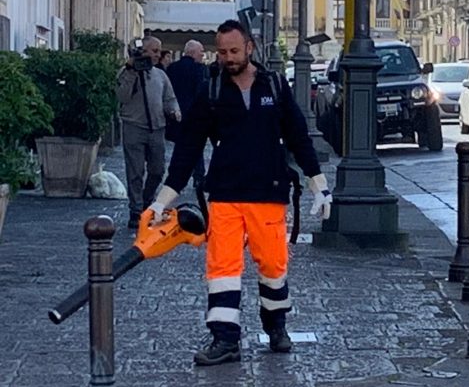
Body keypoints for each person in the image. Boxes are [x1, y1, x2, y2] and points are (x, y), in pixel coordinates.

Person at [146, 20, 332, 366]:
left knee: (274, 267)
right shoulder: (212, 90)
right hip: (226, 193)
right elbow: (188, 148)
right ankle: (225, 339)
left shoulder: (274, 86)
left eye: (234, 51)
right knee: (222, 269)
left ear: (250, 48)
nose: (228, 58)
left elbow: (298, 137)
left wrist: (319, 184)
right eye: (222, 52)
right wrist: (163, 199)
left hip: (268, 191)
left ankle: (276, 327)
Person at [115, 36, 181, 229]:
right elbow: (122, 96)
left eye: (158, 51)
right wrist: (131, 71)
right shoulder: (126, 73)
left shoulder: (160, 75)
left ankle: (146, 199)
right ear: (142, 52)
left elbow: (170, 97)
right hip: (134, 126)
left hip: (157, 128)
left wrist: (174, 110)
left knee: (157, 170)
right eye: (153, 51)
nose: (157, 55)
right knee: (135, 171)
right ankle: (135, 210)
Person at [165, 39, 209, 189]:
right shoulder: (199, 70)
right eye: (201, 52)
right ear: (193, 53)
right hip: (193, 114)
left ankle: (174, 176)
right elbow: (201, 92)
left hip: (175, 113)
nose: (203, 55)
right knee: (196, 146)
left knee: (180, 146)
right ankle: (198, 176)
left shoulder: (172, 68)